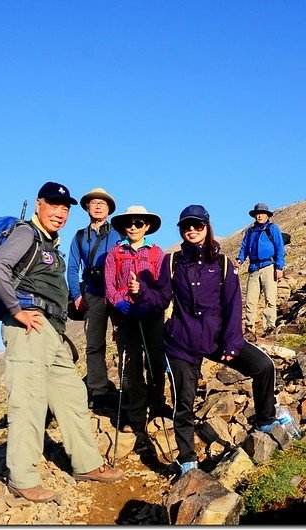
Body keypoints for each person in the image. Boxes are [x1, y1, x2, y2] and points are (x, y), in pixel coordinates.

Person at [0, 181, 123, 503]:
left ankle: (86, 463)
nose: (60, 213)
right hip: (28, 328)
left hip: (50, 330)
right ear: (39, 205)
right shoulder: (26, 234)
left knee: (72, 392)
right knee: (29, 401)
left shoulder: (51, 244)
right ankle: (22, 477)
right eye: (54, 205)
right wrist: (16, 311)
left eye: (65, 208)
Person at [132, 204, 278, 478]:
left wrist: (232, 343)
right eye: (187, 226)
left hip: (217, 338)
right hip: (181, 341)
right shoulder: (172, 261)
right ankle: (187, 459)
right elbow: (162, 299)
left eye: (197, 226)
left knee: (263, 366)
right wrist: (141, 292)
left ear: (207, 227)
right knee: (183, 403)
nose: (192, 231)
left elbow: (233, 305)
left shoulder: (223, 263)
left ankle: (266, 420)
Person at [104, 206, 168, 434]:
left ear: (147, 226)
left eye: (139, 223)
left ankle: (157, 406)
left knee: (155, 362)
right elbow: (109, 286)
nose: (133, 227)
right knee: (131, 366)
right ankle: (137, 415)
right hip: (126, 317)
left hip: (151, 316)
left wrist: (149, 302)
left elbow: (162, 287)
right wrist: (119, 302)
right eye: (129, 223)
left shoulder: (157, 254)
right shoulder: (114, 254)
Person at [67, 187, 123, 410]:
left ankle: (127, 388)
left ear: (109, 209)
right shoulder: (80, 236)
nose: (98, 206)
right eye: (94, 202)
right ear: (87, 208)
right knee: (94, 344)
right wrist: (77, 295)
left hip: (117, 293)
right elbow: (72, 267)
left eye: (103, 203)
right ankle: (98, 390)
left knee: (124, 341)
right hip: (92, 292)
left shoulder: (120, 233)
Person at [235, 202, 286, 341]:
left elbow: (280, 248)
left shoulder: (272, 228)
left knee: (270, 299)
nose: (260, 216)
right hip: (253, 268)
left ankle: (269, 327)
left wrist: (279, 267)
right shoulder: (250, 231)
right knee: (250, 301)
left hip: (269, 266)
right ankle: (249, 330)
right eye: (258, 214)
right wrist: (239, 260)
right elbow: (244, 248)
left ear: (267, 215)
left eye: (262, 214)